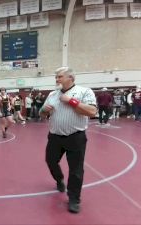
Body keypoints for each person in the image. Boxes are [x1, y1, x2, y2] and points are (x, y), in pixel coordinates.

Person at [39, 67, 97, 213]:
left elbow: (92, 112)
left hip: (75, 137)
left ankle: (74, 199)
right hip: (54, 137)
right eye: (56, 77)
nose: (56, 79)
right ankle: (59, 180)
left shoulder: (84, 92)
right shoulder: (52, 94)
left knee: (76, 170)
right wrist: (44, 111)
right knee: (50, 161)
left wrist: (71, 101)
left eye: (59, 76)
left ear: (71, 77)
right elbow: (42, 114)